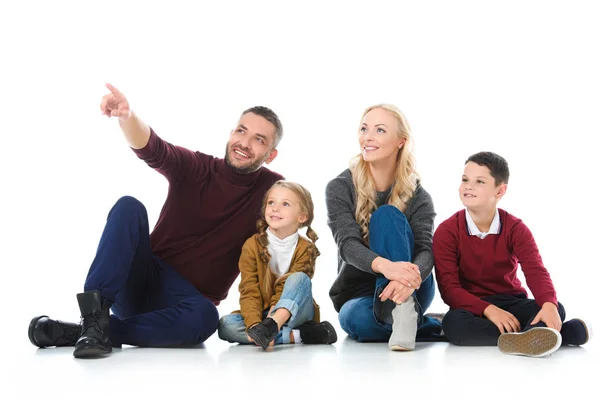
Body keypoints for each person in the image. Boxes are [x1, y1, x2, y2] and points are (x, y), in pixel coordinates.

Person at [28, 83, 284, 358]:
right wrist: (127, 117)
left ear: (270, 155)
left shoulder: (273, 192)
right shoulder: (197, 168)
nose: (244, 143)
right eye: (241, 131)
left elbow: (286, 243)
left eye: (259, 139)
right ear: (231, 133)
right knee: (129, 206)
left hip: (186, 306)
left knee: (207, 317)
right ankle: (93, 316)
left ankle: (96, 332)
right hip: (142, 280)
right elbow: (154, 148)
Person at [433, 151, 591, 357]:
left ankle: (532, 336)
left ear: (500, 191)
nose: (468, 186)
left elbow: (535, 271)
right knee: (453, 324)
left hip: (511, 301)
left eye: (479, 181)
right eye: (465, 180)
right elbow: (449, 289)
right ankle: (557, 335)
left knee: (554, 307)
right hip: (473, 306)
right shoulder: (447, 231)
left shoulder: (515, 228)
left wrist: (549, 304)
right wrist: (488, 310)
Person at [326, 104, 442, 351]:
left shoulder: (418, 195)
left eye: (379, 130)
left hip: (412, 283)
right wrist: (389, 268)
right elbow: (347, 245)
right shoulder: (340, 187)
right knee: (353, 318)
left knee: (386, 216)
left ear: (401, 141)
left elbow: (426, 250)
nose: (367, 137)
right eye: (364, 129)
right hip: (361, 292)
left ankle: (405, 308)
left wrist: (407, 281)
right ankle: (421, 323)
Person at [218, 180, 337, 349]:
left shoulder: (306, 248)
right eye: (271, 202)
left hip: (296, 312)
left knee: (299, 279)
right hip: (263, 313)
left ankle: (272, 328)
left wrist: (272, 320)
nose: (275, 208)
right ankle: (299, 335)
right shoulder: (252, 246)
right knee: (225, 325)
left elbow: (288, 287)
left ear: (302, 217)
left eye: (285, 204)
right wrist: (254, 326)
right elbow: (249, 289)